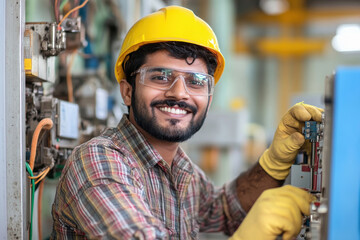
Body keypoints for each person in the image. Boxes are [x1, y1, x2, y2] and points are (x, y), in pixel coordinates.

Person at [51, 5, 322, 240]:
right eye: (159, 77)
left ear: (209, 97)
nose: (179, 93)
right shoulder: (98, 162)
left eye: (196, 82)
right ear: (127, 91)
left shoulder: (181, 170)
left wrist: (273, 163)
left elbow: (225, 211)